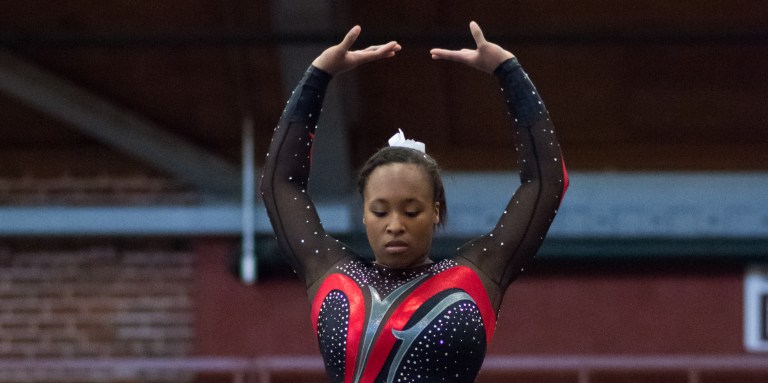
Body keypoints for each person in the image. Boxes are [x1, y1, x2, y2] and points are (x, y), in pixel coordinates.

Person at [261, 21, 568, 383]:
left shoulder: (478, 274)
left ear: (436, 211)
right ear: (363, 213)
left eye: (411, 211)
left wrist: (508, 71)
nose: (395, 224)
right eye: (380, 211)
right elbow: (280, 184)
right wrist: (318, 75)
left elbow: (547, 182)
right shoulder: (330, 273)